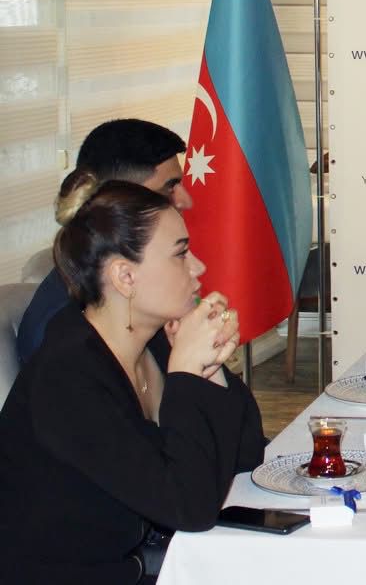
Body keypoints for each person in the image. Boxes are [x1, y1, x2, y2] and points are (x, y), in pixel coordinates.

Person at [0, 178, 264, 584]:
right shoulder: (67, 377)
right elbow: (189, 508)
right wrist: (186, 373)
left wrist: (209, 369)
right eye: (181, 254)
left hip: (138, 564)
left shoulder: (153, 342)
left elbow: (247, 452)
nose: (198, 267)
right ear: (125, 276)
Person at [17, 119, 194, 365]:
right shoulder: (62, 339)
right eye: (169, 188)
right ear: (120, 199)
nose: (185, 201)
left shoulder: (138, 294)